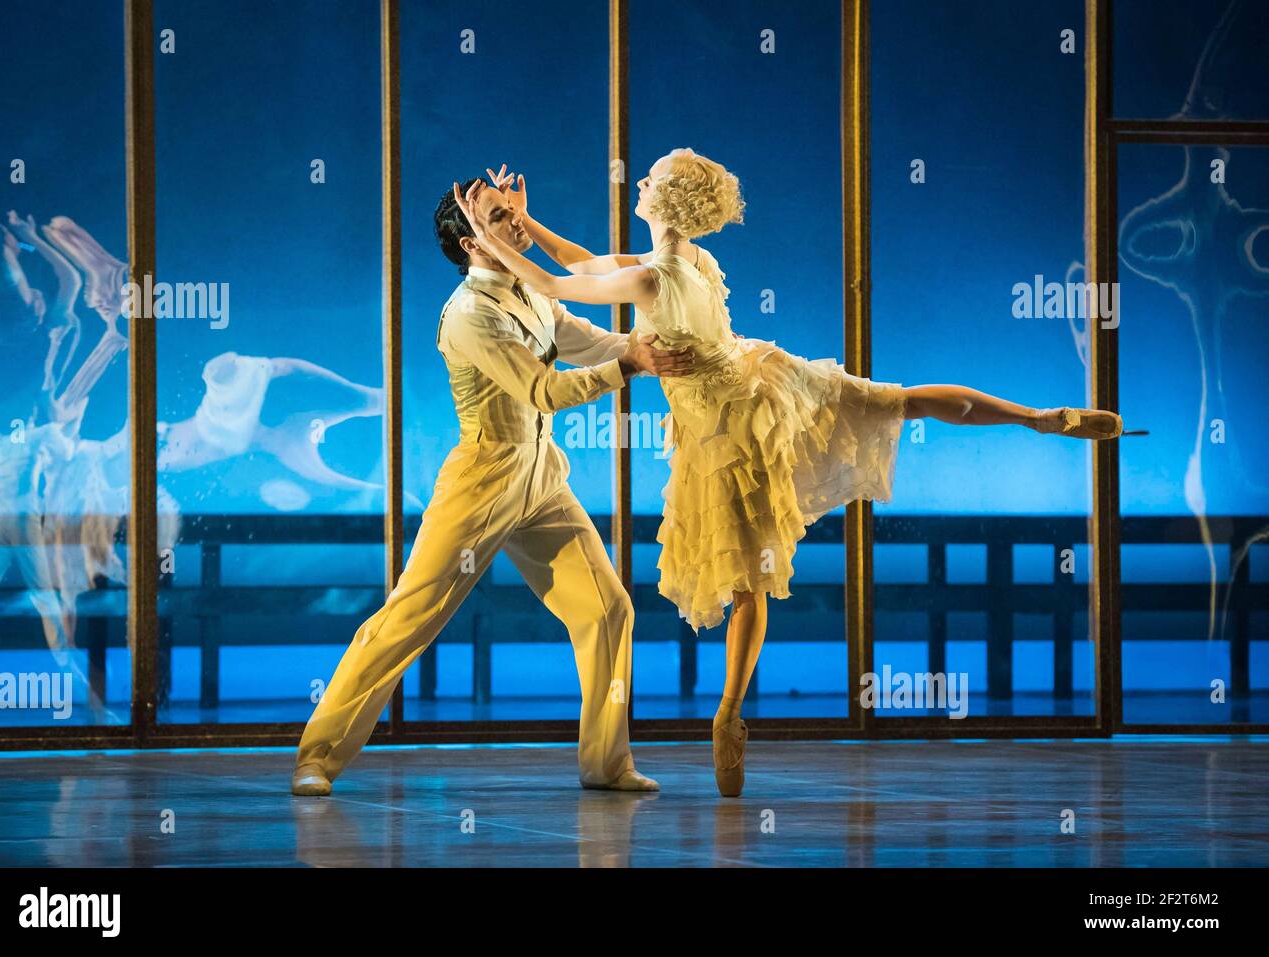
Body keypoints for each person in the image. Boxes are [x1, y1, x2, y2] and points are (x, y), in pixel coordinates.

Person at [455, 150, 1124, 798]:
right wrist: (525, 222)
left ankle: (728, 711)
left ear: (663, 200)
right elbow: (580, 262)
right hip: (762, 378)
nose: (640, 182)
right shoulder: (689, 258)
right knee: (896, 398)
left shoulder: (652, 277)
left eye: (650, 178)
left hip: (727, 427)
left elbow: (555, 283)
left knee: (749, 581)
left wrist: (487, 231)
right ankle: (1037, 416)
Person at [290, 178, 694, 796]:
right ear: (470, 242)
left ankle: (606, 763)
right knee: (411, 616)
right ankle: (316, 757)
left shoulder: (530, 295)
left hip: (541, 478)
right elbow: (544, 391)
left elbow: (590, 342)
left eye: (514, 213)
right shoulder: (469, 315)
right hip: (483, 478)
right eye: (502, 218)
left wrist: (643, 349)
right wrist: (628, 365)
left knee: (608, 608)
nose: (518, 225)